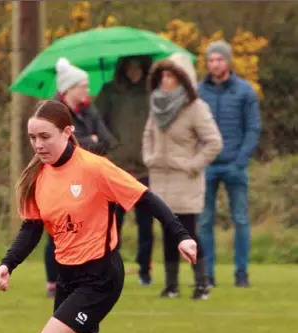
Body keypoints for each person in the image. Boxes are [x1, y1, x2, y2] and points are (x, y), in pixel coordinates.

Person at [0, 100, 197, 333]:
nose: (38, 145)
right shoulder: (37, 177)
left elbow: (145, 198)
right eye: (32, 138)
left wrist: (181, 234)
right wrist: (8, 263)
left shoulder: (95, 168)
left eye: (45, 136)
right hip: (69, 277)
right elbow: (32, 227)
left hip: (100, 276)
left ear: (68, 132)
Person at [143, 53, 223, 299]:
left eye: (171, 76)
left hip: (184, 181)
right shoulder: (156, 105)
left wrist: (192, 165)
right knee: (167, 233)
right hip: (160, 180)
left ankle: (201, 283)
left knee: (187, 233)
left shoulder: (195, 107)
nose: (165, 81)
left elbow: (214, 142)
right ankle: (171, 286)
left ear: (183, 79)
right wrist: (150, 158)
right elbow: (148, 135)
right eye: (163, 76)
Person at [44, 57, 112, 298]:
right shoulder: (53, 112)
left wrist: (85, 142)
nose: (87, 90)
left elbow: (105, 141)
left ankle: (78, 276)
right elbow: (59, 144)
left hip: (86, 178)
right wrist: (87, 141)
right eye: (84, 86)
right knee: (59, 228)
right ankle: (53, 281)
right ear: (70, 88)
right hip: (58, 177)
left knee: (81, 229)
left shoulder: (89, 110)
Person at [198, 41, 261, 287]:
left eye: (219, 59)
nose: (215, 64)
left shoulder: (245, 91)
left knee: (241, 219)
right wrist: (199, 158)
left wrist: (240, 161)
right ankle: (208, 274)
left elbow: (253, 128)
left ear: (228, 61)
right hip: (207, 166)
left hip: (235, 165)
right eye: (211, 60)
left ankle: (241, 273)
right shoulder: (198, 91)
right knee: (204, 221)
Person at [95, 56, 154, 286]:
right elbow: (97, 122)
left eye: (139, 68)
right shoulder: (109, 92)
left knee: (146, 226)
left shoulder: (152, 93)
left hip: (144, 167)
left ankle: (145, 271)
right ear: (123, 69)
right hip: (116, 168)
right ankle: (110, 270)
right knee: (112, 226)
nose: (134, 72)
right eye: (130, 68)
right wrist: (112, 146)